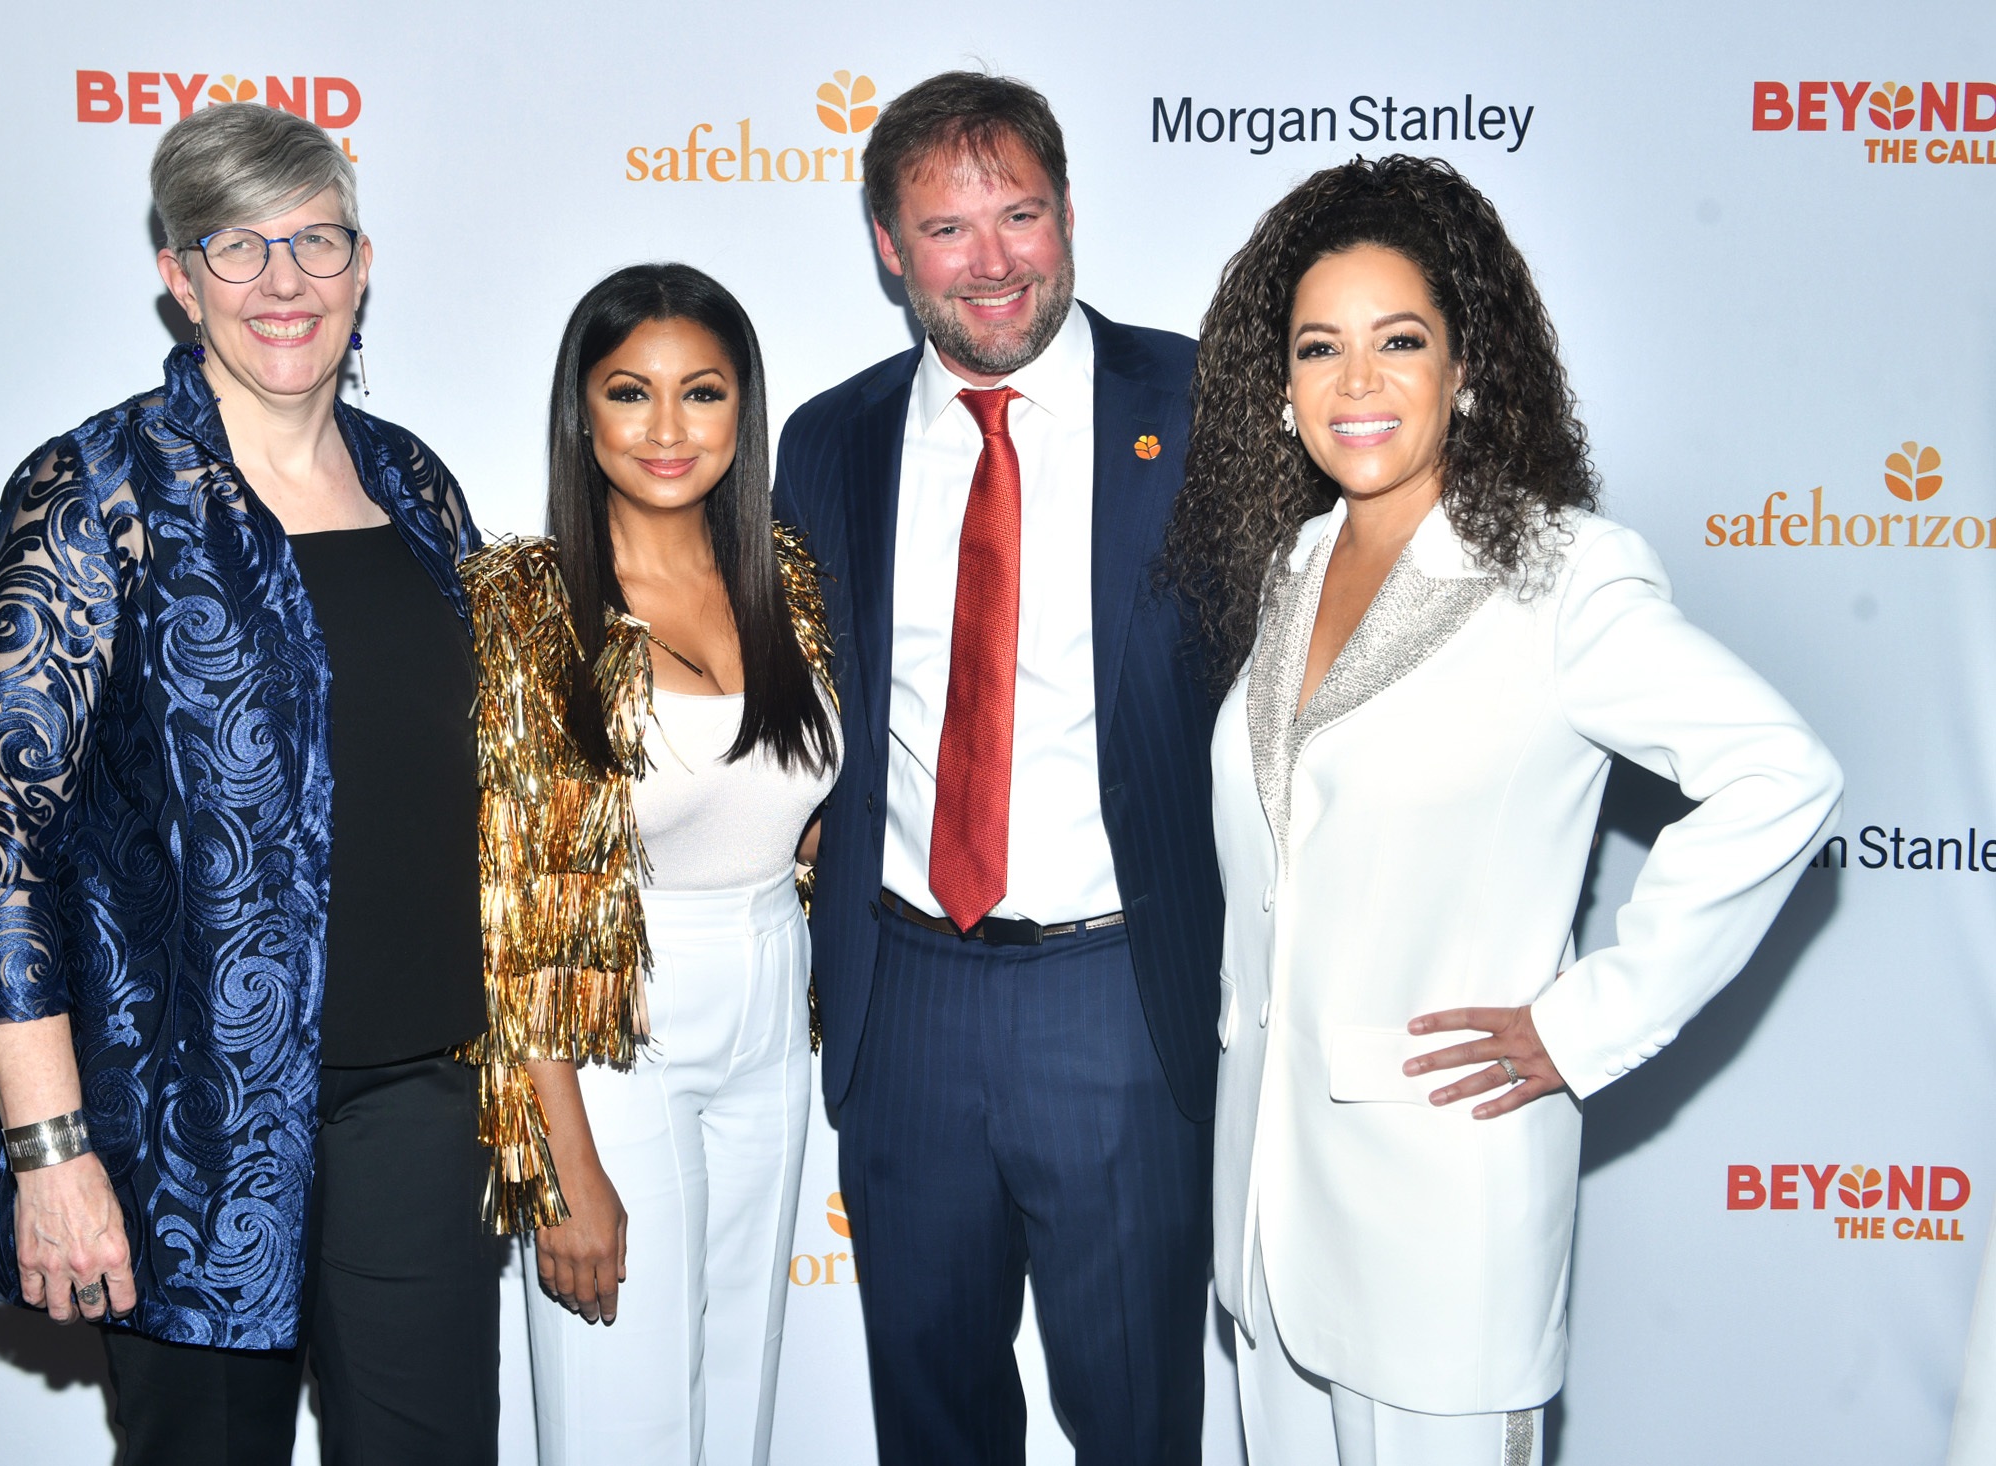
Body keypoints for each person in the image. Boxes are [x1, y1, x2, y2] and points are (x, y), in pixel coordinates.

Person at [1164, 154, 1844, 1466]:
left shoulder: (1559, 575)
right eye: (1319, 348)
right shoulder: (1298, 564)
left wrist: (1583, 1021)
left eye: (1398, 340)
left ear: (1465, 367)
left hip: (1440, 1223)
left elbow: (1781, 772)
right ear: (1281, 388)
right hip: (1264, 1231)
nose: (1356, 381)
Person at [0, 103, 496, 1463]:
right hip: (186, 1126)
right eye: (236, 246)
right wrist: (49, 1148)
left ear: (364, 263)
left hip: (419, 1103)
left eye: (315, 241)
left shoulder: (418, 488)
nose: (282, 281)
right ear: (179, 278)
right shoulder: (94, 491)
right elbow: (2, 843)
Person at [772, 71, 1224, 1464]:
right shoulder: (826, 440)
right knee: (932, 1421)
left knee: (1135, 1418)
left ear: (1067, 213)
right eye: (946, 228)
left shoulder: (1203, 406)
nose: (991, 261)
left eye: (1017, 214)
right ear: (887, 247)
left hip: (1117, 995)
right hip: (901, 993)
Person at [463, 263, 840, 1466]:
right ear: (582, 413)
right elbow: (512, 911)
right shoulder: (525, 606)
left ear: (744, 409)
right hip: (613, 1028)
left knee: (738, 1399)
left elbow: (794, 812)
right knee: (623, 1417)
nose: (668, 429)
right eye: (631, 392)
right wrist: (563, 1166)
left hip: (772, 1005)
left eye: (703, 392)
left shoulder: (785, 577)